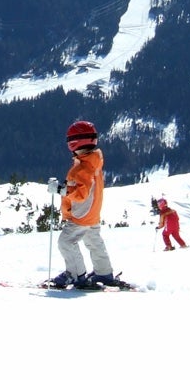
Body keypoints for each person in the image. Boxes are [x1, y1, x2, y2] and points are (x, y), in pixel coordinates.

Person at [46, 119, 123, 289]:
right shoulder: (92, 162)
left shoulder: (84, 168)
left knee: (66, 242)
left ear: (74, 142)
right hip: (92, 214)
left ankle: (75, 275)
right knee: (94, 241)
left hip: (81, 215)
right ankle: (104, 273)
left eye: (69, 141)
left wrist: (61, 190)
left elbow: (81, 195)